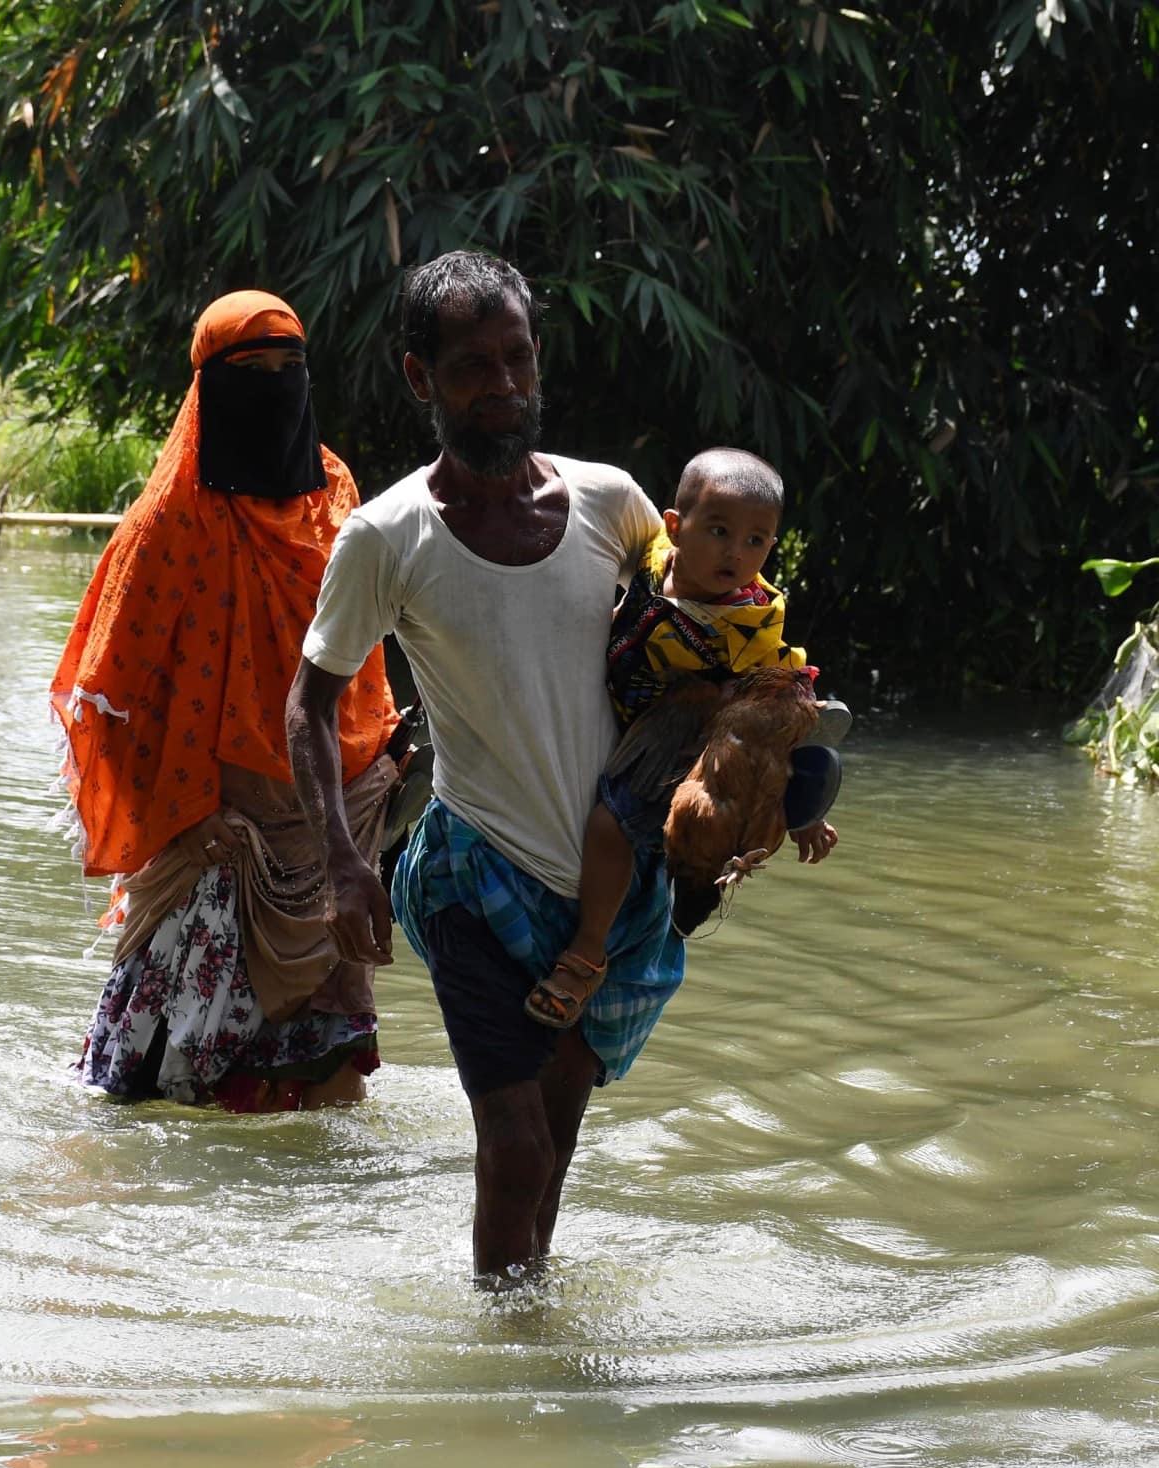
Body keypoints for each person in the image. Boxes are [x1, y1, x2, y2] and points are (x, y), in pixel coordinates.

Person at [288, 251, 828, 1284]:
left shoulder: (610, 503)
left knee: (561, 1132)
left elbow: (711, 620)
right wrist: (344, 864)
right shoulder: (386, 536)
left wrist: (761, 769)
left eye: (516, 359)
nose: (501, 387)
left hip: (610, 877)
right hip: (472, 873)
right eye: (471, 368)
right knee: (517, 1141)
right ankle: (507, 1377)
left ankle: (525, 1309)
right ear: (420, 379)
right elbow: (309, 704)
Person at [54, 291, 400, 1114]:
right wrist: (186, 815)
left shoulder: (334, 489)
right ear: (209, 385)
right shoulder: (168, 524)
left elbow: (362, 644)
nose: (275, 386)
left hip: (329, 810)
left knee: (333, 1071)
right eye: (252, 372)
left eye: (291, 368)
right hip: (215, 829)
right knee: (172, 1078)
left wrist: (379, 758)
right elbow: (114, 693)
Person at [523, 447, 842, 1026]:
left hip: (691, 727)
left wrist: (808, 810)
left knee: (611, 822)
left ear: (772, 547)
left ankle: (585, 953)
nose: (735, 553)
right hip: (625, 699)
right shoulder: (649, 557)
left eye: (755, 541)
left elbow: (782, 707)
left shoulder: (749, 621)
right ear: (675, 527)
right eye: (719, 531)